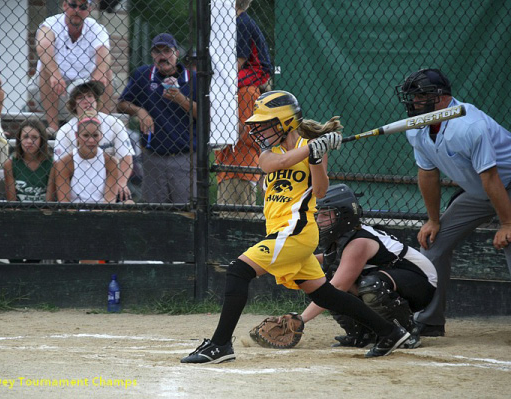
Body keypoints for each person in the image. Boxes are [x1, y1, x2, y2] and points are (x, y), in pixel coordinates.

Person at [181, 91, 410, 364]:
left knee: (238, 271)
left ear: (286, 122)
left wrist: (315, 157)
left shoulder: (311, 147)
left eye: (266, 124)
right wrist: (311, 149)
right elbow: (274, 165)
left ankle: (219, 345)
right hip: (280, 231)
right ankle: (389, 331)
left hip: (296, 231)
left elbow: (321, 189)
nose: (260, 130)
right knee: (325, 294)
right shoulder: (269, 152)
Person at [397, 68, 511, 337]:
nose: (414, 103)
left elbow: (492, 176)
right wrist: (433, 220)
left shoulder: (469, 125)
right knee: (433, 245)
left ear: (441, 98)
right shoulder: (417, 128)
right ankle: (429, 321)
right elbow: (427, 173)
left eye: (420, 96)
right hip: (480, 191)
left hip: (502, 184)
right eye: (412, 97)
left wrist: (507, 223)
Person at [283, 184, 437, 349]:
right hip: (396, 280)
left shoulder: (359, 241)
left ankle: (405, 332)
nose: (319, 220)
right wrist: (296, 259)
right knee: (325, 280)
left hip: (421, 284)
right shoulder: (343, 237)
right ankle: (362, 333)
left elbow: (337, 287)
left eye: (325, 215)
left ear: (345, 214)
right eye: (318, 214)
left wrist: (301, 319)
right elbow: (331, 261)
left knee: (362, 286)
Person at [117, 33, 197, 203]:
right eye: (157, 52)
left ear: (176, 53)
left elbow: (207, 115)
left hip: (184, 156)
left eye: (167, 51)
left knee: (186, 209)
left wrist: (181, 100)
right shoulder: (143, 75)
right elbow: (122, 103)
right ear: (152, 55)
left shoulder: (193, 79)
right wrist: (140, 111)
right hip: (153, 156)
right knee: (154, 212)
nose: (163, 56)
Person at [214, 0, 272, 215]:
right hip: (231, 165)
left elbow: (238, 61)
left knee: (221, 83)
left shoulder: (240, 22)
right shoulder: (230, 23)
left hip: (256, 70)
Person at [34, 0, 113, 133]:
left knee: (107, 71)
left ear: (89, 8)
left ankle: (102, 125)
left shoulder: (96, 28)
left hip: (85, 86)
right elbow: (43, 46)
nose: (77, 10)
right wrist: (55, 74)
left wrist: (99, 72)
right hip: (55, 86)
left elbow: (104, 51)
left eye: (82, 6)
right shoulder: (51, 24)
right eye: (73, 5)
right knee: (44, 69)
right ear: (65, 5)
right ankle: (53, 127)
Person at [54, 79, 134, 202]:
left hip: (111, 184)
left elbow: (126, 157)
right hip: (77, 191)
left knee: (129, 204)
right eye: (80, 97)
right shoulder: (65, 131)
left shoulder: (114, 123)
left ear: (96, 99)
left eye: (90, 96)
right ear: (73, 103)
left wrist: (121, 182)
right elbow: (61, 167)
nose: (87, 100)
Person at [54, 117, 119, 203]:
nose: (91, 140)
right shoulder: (65, 162)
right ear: (77, 136)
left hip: (101, 211)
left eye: (95, 135)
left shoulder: (111, 162)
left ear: (101, 135)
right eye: (86, 135)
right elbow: (64, 201)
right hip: (74, 211)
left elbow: (110, 200)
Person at [3, 118, 54, 202]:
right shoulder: (10, 164)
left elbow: (48, 204)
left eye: (34, 137)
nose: (29, 141)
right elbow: (12, 204)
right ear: (19, 139)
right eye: (25, 137)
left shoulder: (51, 164)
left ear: (42, 139)